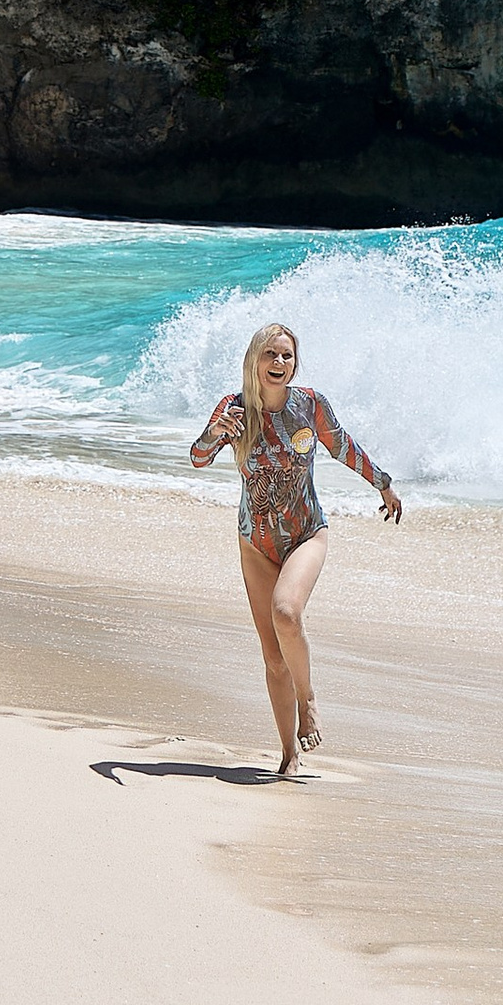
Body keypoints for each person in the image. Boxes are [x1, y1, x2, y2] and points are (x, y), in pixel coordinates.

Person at [189, 320, 401, 779]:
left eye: (286, 355)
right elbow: (198, 457)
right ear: (254, 361)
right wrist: (214, 434)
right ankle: (288, 754)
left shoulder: (310, 405)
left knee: (287, 613)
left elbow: (344, 447)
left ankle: (309, 700)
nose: (279, 363)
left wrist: (382, 483)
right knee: (272, 657)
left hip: (306, 533)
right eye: (270, 354)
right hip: (256, 543)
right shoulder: (234, 410)